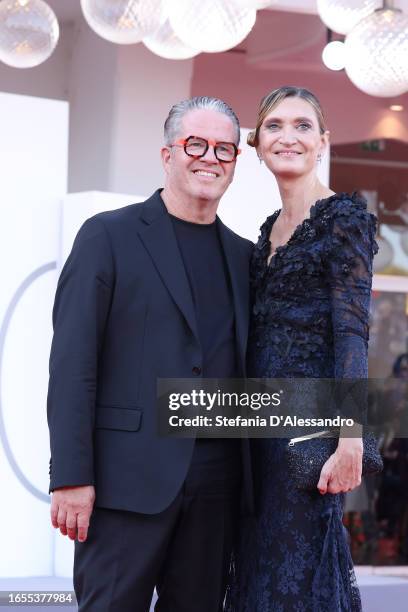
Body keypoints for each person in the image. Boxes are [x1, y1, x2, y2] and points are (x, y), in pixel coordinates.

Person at [47, 96, 254, 612]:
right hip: (124, 486)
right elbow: (73, 364)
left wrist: (346, 423)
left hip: (215, 491)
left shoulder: (245, 257)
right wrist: (71, 476)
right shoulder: (108, 235)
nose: (210, 157)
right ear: (167, 154)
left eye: (224, 148)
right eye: (195, 144)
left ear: (234, 163)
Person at [225, 86, 377, 611]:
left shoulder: (345, 221)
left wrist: (350, 439)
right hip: (254, 438)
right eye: (274, 126)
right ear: (257, 143)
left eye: (302, 125)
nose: (287, 136)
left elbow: (352, 334)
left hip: (306, 441)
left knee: (298, 580)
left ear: (323, 142)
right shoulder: (268, 231)